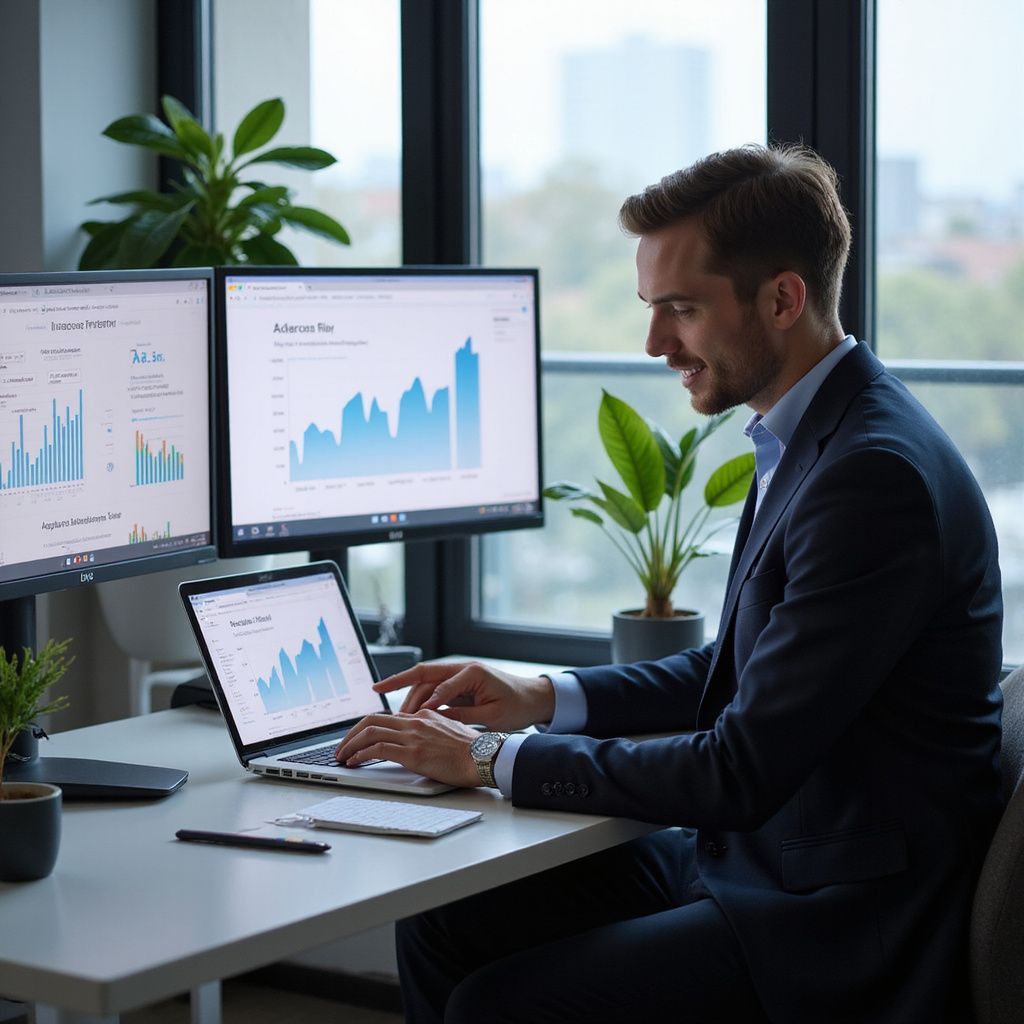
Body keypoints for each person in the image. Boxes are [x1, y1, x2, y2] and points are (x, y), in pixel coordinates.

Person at [335, 144, 1004, 1023]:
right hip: (761, 857)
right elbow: (732, 673)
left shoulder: (869, 476)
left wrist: (491, 759)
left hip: (832, 917)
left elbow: (739, 769)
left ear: (783, 298)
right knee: (442, 919)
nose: (655, 344)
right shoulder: (816, 433)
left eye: (681, 311)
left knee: (500, 1006)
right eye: (653, 310)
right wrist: (540, 694)